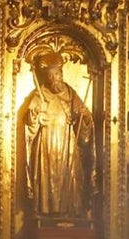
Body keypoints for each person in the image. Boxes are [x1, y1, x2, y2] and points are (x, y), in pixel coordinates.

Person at [23, 49, 94, 218]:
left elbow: (84, 120)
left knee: (71, 177)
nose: (55, 78)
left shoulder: (70, 94)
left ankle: (71, 211)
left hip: (68, 142)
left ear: (62, 74)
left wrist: (83, 118)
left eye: (58, 74)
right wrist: (37, 117)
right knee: (48, 178)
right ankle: (47, 211)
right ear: (46, 77)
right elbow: (30, 122)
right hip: (47, 144)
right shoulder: (39, 95)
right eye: (51, 75)